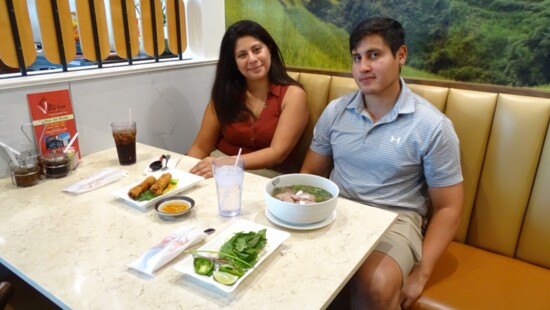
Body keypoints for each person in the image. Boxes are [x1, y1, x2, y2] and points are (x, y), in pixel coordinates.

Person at [300, 17, 464, 309]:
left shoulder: (433, 126)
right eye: (357, 58)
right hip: (338, 209)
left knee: (375, 283)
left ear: (400, 55)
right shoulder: (336, 111)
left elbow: (449, 207)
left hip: (395, 219)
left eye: (374, 55)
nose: (363, 67)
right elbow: (311, 173)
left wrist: (421, 273)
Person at [187, 20, 308, 179]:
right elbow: (200, 147)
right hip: (216, 168)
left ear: (269, 49)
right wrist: (183, 177)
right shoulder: (225, 93)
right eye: (242, 55)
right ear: (234, 62)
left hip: (265, 176)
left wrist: (226, 164)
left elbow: (277, 153)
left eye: (257, 50)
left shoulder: (293, 95)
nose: (252, 59)